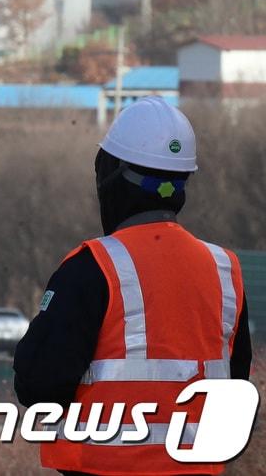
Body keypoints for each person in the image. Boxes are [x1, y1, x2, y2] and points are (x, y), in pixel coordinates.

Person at [14, 96, 252, 475]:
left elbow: (39, 386)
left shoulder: (92, 268)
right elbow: (235, 386)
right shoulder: (225, 270)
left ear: (110, 174)